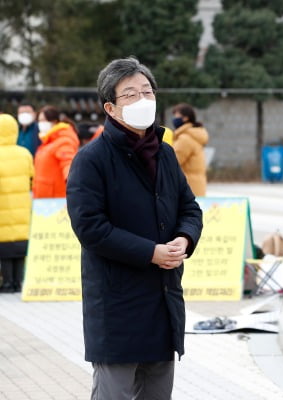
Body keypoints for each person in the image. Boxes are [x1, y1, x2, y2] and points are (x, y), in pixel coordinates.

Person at [65, 57, 203, 400]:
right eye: (131, 94)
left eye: (147, 91)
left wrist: (184, 238)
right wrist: (150, 252)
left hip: (163, 298)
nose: (143, 100)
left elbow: (189, 207)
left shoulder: (166, 155)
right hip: (117, 305)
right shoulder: (91, 159)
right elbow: (91, 227)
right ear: (110, 108)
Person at [0, 114, 34, 293]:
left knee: (4, 245)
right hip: (21, 206)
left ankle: (6, 282)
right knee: (19, 244)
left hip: (2, 208)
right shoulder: (24, 153)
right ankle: (19, 281)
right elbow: (31, 177)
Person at [32, 106, 79, 198]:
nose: (40, 124)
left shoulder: (63, 140)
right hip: (44, 199)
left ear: (54, 121)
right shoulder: (48, 141)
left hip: (56, 199)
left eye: (43, 120)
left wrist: (72, 182)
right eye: (39, 121)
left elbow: (68, 162)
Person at [171, 103, 210, 197]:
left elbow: (173, 162)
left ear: (186, 118)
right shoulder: (194, 135)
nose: (174, 119)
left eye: (176, 116)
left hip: (187, 187)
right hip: (196, 186)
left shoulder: (185, 139)